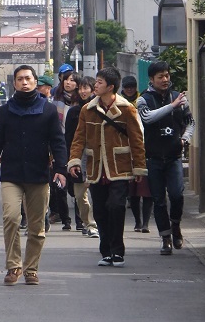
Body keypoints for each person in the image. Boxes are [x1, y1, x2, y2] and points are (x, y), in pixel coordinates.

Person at [0, 65, 67, 286]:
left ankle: (31, 269)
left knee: (37, 227)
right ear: (14, 83)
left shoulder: (47, 111)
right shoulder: (5, 111)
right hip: (12, 174)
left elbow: (58, 142)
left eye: (28, 78)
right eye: (20, 79)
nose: (24, 82)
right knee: (11, 218)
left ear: (36, 82)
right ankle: (13, 266)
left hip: (38, 175)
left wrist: (61, 169)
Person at [68, 67, 146, 268]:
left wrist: (139, 168)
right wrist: (75, 160)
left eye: (100, 82)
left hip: (119, 167)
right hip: (96, 168)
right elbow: (79, 138)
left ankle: (118, 251)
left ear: (111, 87)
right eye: (96, 81)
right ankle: (106, 251)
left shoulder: (128, 109)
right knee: (101, 211)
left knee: (116, 206)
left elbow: (137, 140)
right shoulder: (87, 110)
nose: (95, 85)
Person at [136, 61, 195, 255]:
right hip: (153, 157)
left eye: (167, 75)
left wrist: (184, 140)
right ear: (151, 79)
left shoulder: (178, 98)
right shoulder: (143, 99)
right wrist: (171, 106)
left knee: (177, 194)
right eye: (160, 76)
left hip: (174, 156)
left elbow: (190, 122)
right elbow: (148, 118)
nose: (165, 79)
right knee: (159, 199)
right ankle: (166, 237)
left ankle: (176, 224)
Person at [64, 75, 99, 238]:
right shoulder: (74, 112)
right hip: (78, 157)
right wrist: (70, 159)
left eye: (86, 88)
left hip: (98, 157)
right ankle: (88, 223)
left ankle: (97, 223)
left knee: (100, 194)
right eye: (81, 88)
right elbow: (69, 137)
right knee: (79, 195)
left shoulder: (100, 110)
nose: (83, 91)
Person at [119, 75, 154, 233]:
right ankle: (138, 221)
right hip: (126, 151)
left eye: (132, 86)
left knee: (146, 189)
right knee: (133, 191)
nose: (130, 89)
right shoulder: (119, 103)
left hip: (145, 148)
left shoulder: (143, 101)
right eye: (127, 87)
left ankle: (145, 222)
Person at [50, 69, 80, 230]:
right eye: (66, 79)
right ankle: (66, 219)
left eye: (72, 80)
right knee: (59, 185)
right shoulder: (55, 100)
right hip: (59, 146)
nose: (68, 82)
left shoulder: (82, 103)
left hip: (77, 147)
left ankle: (80, 221)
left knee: (77, 186)